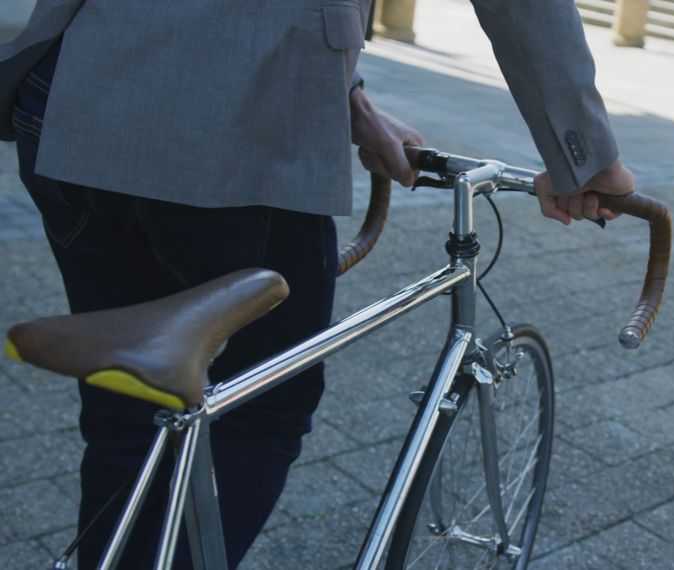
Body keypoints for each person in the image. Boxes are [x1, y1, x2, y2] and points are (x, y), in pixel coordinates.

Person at [0, 0, 634, 567]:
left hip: (74, 94)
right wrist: (586, 159)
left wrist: (351, 99)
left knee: (127, 407)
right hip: (241, 132)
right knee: (264, 406)